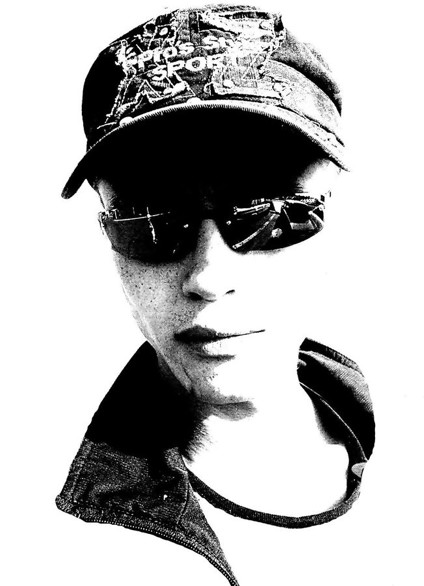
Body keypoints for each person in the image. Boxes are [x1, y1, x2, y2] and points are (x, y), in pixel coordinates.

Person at [56, 4, 375, 584]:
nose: (207, 276)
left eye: (269, 215)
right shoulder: (44, 541)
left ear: (338, 228)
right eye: (148, 223)